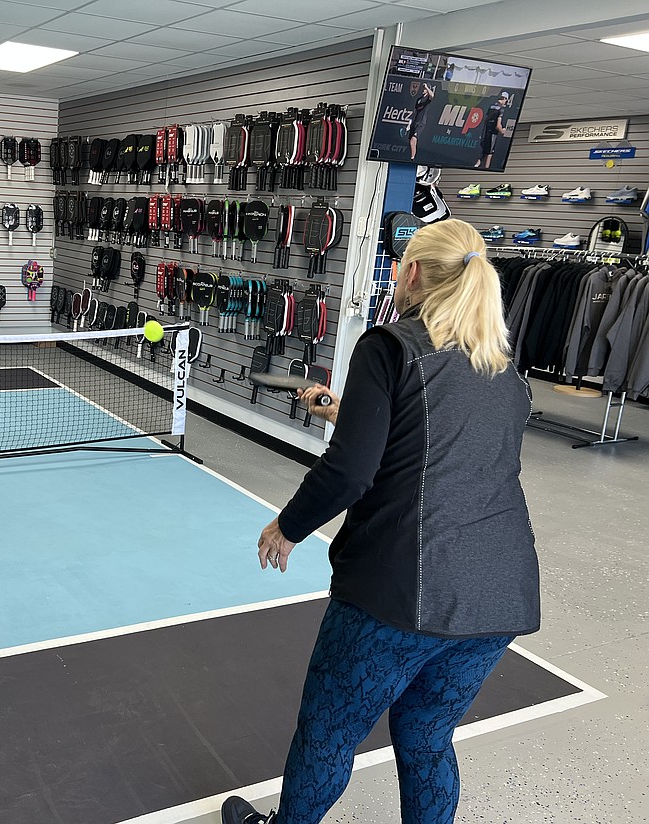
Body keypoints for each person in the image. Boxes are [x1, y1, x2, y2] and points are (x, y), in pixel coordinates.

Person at [223, 219, 540, 824]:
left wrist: (286, 527)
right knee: (426, 733)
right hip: (499, 596)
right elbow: (451, 450)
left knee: (328, 735)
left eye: (399, 265)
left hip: (401, 593)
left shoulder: (388, 346)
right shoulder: (505, 370)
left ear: (413, 273)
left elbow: (348, 474)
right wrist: (352, 413)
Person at [475, 90, 510, 169]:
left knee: (484, 153)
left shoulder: (491, 107)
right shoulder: (501, 109)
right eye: (506, 100)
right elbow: (498, 126)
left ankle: (476, 165)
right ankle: (486, 170)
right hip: (492, 134)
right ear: (504, 99)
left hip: (486, 132)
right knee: (490, 153)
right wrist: (503, 131)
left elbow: (486, 120)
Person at [408, 82, 436, 161]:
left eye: (425, 89)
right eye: (423, 88)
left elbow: (432, 96)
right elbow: (415, 111)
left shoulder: (428, 98)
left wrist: (427, 87)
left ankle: (412, 158)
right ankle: (412, 156)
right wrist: (410, 123)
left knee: (413, 139)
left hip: (421, 123)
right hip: (415, 122)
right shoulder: (418, 99)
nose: (423, 90)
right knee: (411, 141)